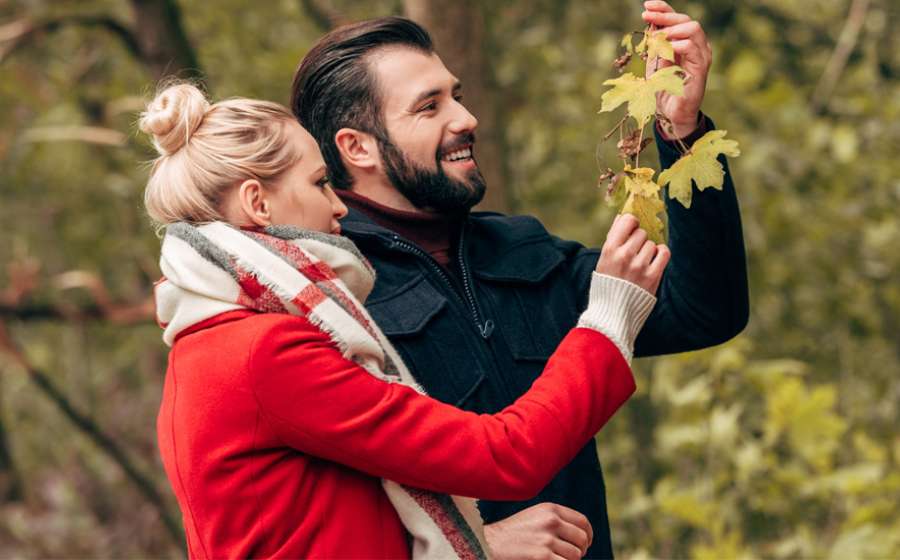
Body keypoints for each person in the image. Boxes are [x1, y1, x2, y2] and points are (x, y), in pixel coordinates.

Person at [290, 3, 749, 558]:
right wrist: (473, 547)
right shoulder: (324, 296)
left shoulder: (519, 249)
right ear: (356, 147)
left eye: (455, 95)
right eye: (429, 107)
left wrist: (682, 134)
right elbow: (315, 524)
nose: (465, 118)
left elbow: (704, 311)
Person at [142, 82, 668, 559]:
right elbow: (504, 456)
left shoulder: (206, 348)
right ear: (257, 202)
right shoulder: (264, 353)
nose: (339, 207)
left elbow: (323, 533)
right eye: (321, 183)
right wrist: (608, 316)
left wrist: (484, 544)